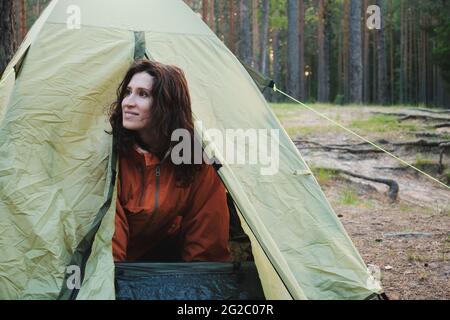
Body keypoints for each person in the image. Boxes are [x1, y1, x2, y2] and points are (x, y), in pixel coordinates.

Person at [109, 59, 231, 262]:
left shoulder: (196, 161)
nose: (128, 102)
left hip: (166, 256)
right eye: (128, 92)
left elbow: (207, 242)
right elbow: (109, 249)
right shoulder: (113, 158)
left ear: (167, 104)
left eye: (143, 94)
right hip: (120, 266)